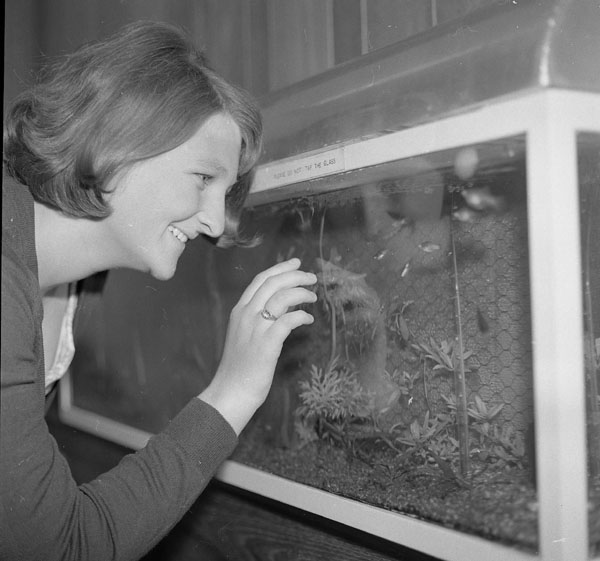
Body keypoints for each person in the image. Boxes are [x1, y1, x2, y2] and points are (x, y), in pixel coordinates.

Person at [1, 20, 317, 561]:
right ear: (122, 142)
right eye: (203, 178)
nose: (216, 224)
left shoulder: (68, 278)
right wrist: (232, 393)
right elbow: (59, 548)